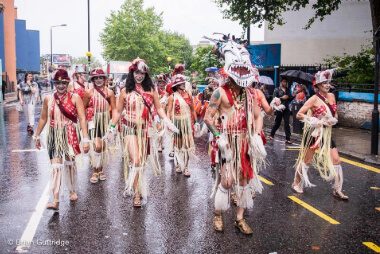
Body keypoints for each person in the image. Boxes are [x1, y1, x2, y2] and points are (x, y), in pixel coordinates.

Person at [204, 36, 265, 235]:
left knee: (245, 180)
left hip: (245, 143)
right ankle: (218, 214)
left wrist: (256, 135)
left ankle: (239, 218)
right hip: (226, 143)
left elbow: (258, 116)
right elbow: (208, 118)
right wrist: (218, 136)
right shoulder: (219, 93)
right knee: (227, 181)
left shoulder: (250, 94)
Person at [108, 58, 178, 207]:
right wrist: (111, 128)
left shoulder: (151, 90)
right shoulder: (124, 91)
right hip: (129, 130)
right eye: (136, 72)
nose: (139, 76)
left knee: (141, 162)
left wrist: (167, 121)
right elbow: (118, 111)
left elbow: (159, 109)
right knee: (137, 161)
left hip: (145, 130)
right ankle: (137, 194)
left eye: (142, 73)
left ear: (146, 74)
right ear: (132, 73)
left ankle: (138, 187)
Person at [33, 69, 90, 209]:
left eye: (63, 83)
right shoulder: (48, 99)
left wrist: (85, 138)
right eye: (58, 83)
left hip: (69, 132)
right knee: (56, 166)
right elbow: (43, 118)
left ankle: (72, 190)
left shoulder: (75, 97)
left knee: (70, 163)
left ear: (68, 83)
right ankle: (56, 200)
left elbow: (82, 118)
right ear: (54, 83)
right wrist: (36, 135)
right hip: (53, 134)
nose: (60, 86)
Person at [291, 69, 348, 200]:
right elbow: (299, 114)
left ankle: (337, 189)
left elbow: (334, 112)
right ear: (317, 86)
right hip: (314, 133)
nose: (327, 85)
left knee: (336, 160)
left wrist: (334, 119)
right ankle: (296, 183)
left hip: (327, 133)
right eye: (324, 83)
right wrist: (314, 120)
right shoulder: (313, 99)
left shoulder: (332, 96)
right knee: (306, 161)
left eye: (328, 82)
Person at [83, 68, 116, 184]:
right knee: (96, 146)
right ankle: (95, 170)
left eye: (100, 77)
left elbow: (114, 109)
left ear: (104, 79)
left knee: (102, 146)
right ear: (92, 79)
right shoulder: (89, 92)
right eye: (96, 78)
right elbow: (83, 108)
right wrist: (88, 116)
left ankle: (100, 169)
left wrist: (112, 125)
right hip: (93, 121)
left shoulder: (110, 93)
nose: (98, 80)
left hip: (105, 120)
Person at [167, 74, 198, 177]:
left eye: (184, 82)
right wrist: (169, 123)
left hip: (187, 123)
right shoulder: (172, 97)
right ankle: (178, 165)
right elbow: (169, 111)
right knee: (178, 145)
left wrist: (196, 122)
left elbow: (193, 109)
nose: (184, 84)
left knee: (187, 146)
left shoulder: (188, 95)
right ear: (176, 85)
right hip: (177, 123)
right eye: (181, 83)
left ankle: (186, 167)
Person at [269, 78, 293, 144]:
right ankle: (271, 134)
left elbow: (290, 98)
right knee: (277, 123)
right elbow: (274, 98)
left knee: (287, 123)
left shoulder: (288, 90)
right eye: (284, 82)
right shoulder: (277, 90)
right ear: (281, 82)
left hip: (286, 108)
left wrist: (289, 96)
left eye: (286, 82)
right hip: (279, 109)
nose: (285, 83)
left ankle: (288, 139)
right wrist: (282, 98)